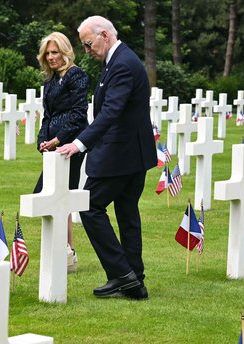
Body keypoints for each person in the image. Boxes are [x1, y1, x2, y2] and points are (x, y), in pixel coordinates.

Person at [57, 16, 156, 299]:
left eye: (88, 44)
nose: (86, 50)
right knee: (126, 213)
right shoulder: (118, 60)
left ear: (104, 35)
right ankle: (135, 280)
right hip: (130, 154)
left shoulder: (122, 64)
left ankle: (122, 274)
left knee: (89, 205)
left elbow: (111, 112)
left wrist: (79, 143)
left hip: (120, 154)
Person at [34, 31, 89, 273]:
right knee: (51, 195)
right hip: (52, 147)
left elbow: (79, 114)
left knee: (59, 196)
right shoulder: (49, 81)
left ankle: (67, 252)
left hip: (70, 145)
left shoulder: (76, 76)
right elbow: (48, 115)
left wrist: (57, 140)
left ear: (65, 52)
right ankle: (65, 250)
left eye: (55, 52)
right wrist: (42, 140)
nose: (51, 57)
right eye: (47, 53)